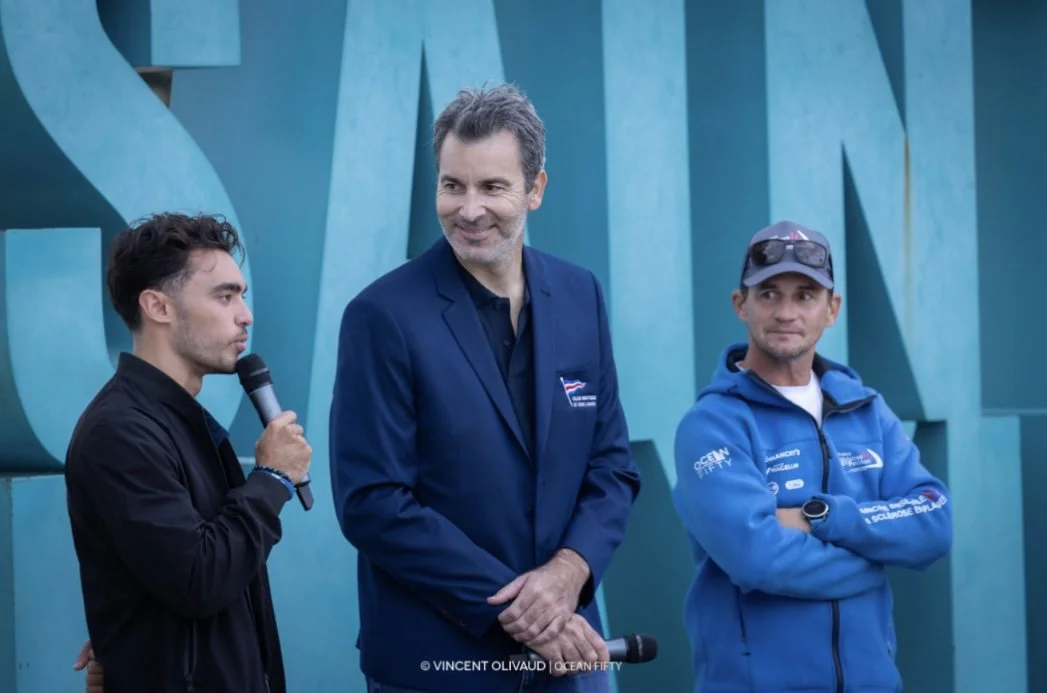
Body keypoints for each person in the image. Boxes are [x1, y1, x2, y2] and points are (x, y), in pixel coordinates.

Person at [329, 83, 642, 693]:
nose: (469, 209)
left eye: (492, 187)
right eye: (453, 185)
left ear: (536, 189)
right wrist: (523, 612)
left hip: (569, 652)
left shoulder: (581, 297)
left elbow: (611, 469)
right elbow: (374, 501)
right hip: (440, 661)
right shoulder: (382, 316)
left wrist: (568, 572)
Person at [671, 221, 952, 693]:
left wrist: (824, 517)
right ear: (741, 304)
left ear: (831, 309)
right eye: (768, 294)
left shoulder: (866, 409)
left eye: (804, 295)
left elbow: (933, 523)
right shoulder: (712, 424)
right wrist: (875, 560)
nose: (785, 312)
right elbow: (757, 559)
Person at [64, 213, 312, 692]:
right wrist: (272, 478)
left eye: (242, 295)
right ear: (158, 306)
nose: (246, 314)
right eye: (225, 296)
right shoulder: (119, 432)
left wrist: (128, 626)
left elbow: (176, 571)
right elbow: (201, 577)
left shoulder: (178, 420)